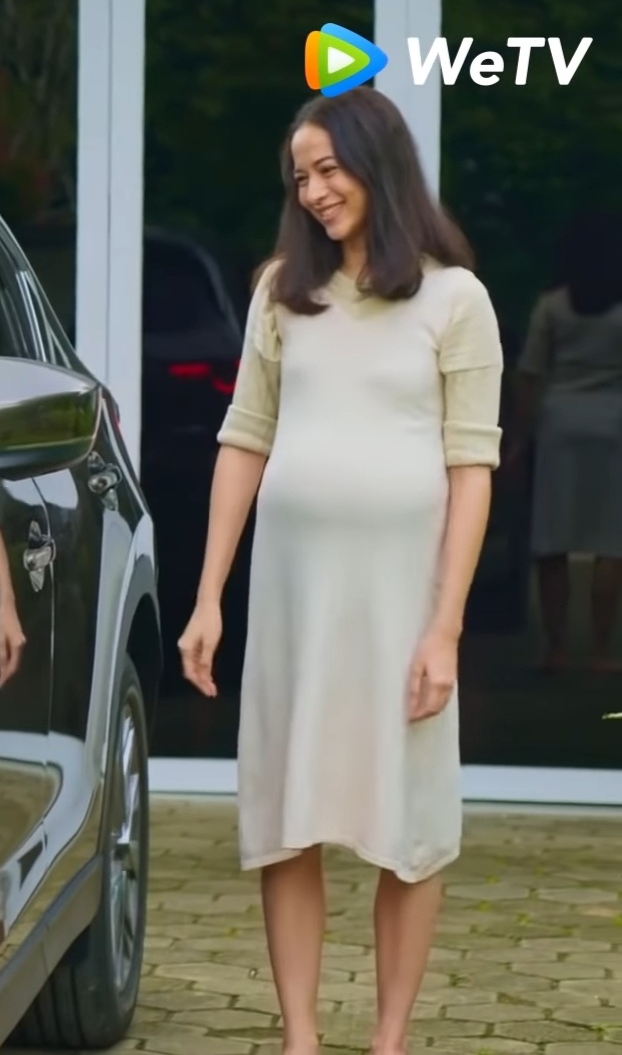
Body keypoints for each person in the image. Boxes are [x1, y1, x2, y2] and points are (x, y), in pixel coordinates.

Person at [176, 87, 501, 1055]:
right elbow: (244, 438)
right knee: (289, 814)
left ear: (378, 164)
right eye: (300, 177)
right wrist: (208, 597)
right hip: (293, 597)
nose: (314, 191)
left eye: (328, 169)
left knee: (410, 822)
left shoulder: (455, 300)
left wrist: (444, 628)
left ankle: (389, 1040)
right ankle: (300, 1039)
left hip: (404, 604)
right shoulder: (282, 291)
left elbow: (471, 469)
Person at [508, 213, 622, 673]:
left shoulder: (551, 306)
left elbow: (530, 374)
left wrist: (520, 437)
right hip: (614, 424)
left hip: (559, 425)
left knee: (551, 540)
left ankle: (555, 650)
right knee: (611, 544)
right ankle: (600, 651)